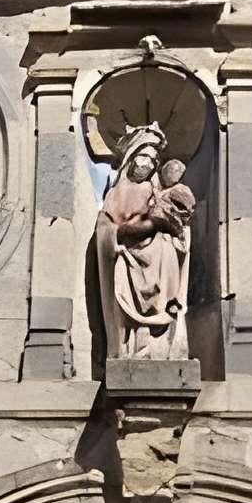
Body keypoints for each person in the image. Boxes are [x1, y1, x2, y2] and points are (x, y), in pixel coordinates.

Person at [95, 122, 193, 361]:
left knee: (165, 249)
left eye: (151, 160)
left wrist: (165, 224)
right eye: (142, 157)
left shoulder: (154, 190)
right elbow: (107, 227)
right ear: (131, 158)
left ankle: (157, 343)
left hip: (158, 255)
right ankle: (133, 344)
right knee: (125, 272)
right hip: (129, 255)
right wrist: (117, 237)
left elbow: (170, 217)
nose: (146, 164)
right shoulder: (116, 192)